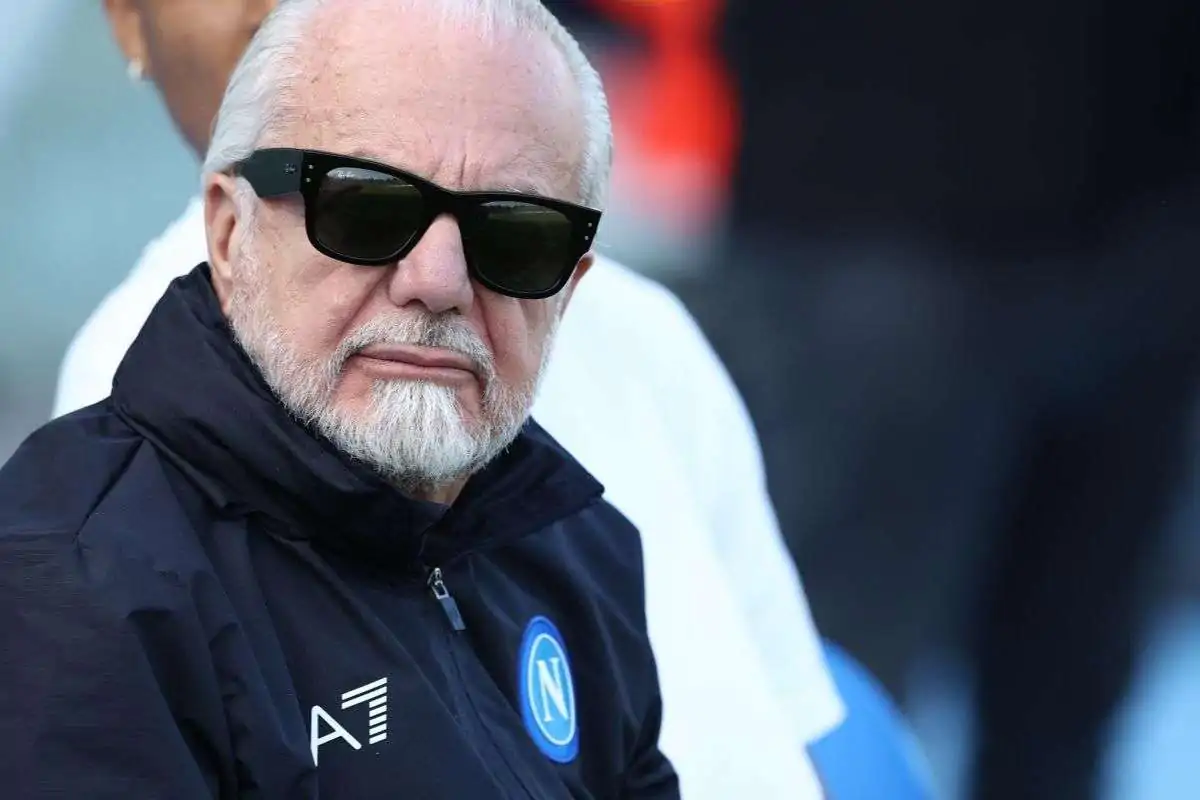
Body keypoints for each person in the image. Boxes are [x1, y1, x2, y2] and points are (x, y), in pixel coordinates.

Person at [49, 0, 844, 796]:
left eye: (513, 234)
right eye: (363, 209)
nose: (435, 279)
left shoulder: (639, 340)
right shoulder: (125, 418)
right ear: (128, 23)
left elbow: (783, 733)